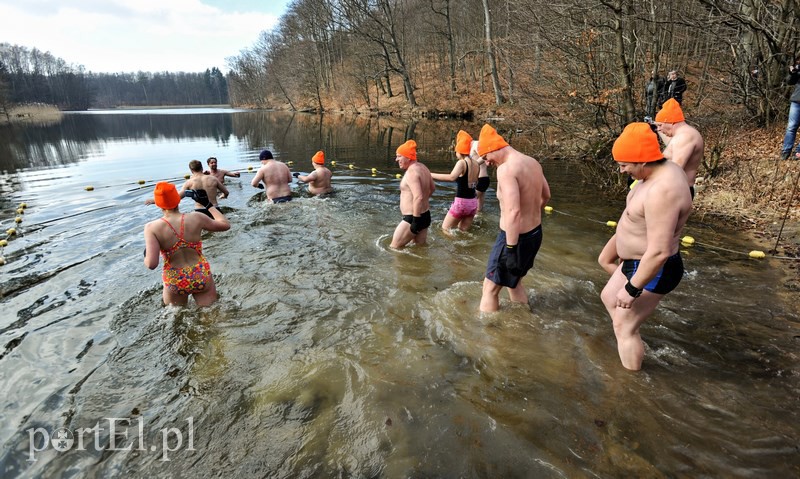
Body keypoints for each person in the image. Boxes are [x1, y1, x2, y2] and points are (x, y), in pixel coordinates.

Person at [599, 123, 692, 371]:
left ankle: (632, 384)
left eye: (624, 165)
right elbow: (635, 219)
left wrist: (632, 289)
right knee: (609, 297)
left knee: (622, 323)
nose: (621, 171)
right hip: (635, 259)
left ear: (643, 161)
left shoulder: (663, 190)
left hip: (656, 267)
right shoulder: (658, 170)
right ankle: (632, 338)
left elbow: (660, 250)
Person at [477, 124, 550, 313]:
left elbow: (513, 212)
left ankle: (485, 333)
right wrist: (532, 214)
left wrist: (510, 248)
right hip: (534, 234)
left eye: (486, 157)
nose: (487, 162)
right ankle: (523, 323)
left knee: (489, 289)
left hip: (514, 238)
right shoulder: (533, 162)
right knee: (513, 282)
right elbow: (546, 196)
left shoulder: (506, 170)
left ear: (493, 148)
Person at [143, 182, 230, 307]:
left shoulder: (151, 227)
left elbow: (151, 264)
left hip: (175, 278)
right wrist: (208, 205)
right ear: (178, 200)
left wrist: (146, 256)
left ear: (158, 204)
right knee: (210, 315)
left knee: (176, 317)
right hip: (200, 273)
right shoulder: (197, 217)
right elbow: (225, 225)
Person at [430, 130, 480, 232]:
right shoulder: (476, 164)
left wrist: (430, 175)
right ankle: (463, 247)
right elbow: (476, 182)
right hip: (473, 203)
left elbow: (451, 177)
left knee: (445, 229)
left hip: (461, 203)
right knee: (463, 231)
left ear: (459, 150)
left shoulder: (462, 163)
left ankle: (453, 246)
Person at [654, 98, 704, 199]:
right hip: (678, 190)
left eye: (660, 125)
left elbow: (675, 169)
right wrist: (656, 128)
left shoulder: (685, 137)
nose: (658, 128)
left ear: (670, 122)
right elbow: (672, 145)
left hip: (678, 192)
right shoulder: (683, 135)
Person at [390, 139, 435, 248]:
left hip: (413, 218)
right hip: (425, 216)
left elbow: (418, 197)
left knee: (394, 248)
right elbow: (432, 188)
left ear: (408, 157)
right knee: (419, 249)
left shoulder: (411, 172)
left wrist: (415, 220)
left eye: (399, 156)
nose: (397, 159)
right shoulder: (423, 168)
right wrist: (423, 203)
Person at [780, 59, 800, 161]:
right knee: (791, 127)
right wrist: (792, 73)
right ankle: (786, 151)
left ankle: (798, 152)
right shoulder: (798, 69)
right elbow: (790, 81)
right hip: (796, 101)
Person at [471, 140, 491, 213]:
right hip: (480, 179)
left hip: (481, 179)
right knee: (479, 210)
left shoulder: (476, 144)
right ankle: (479, 222)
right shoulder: (468, 148)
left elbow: (485, 155)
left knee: (468, 201)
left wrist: (474, 164)